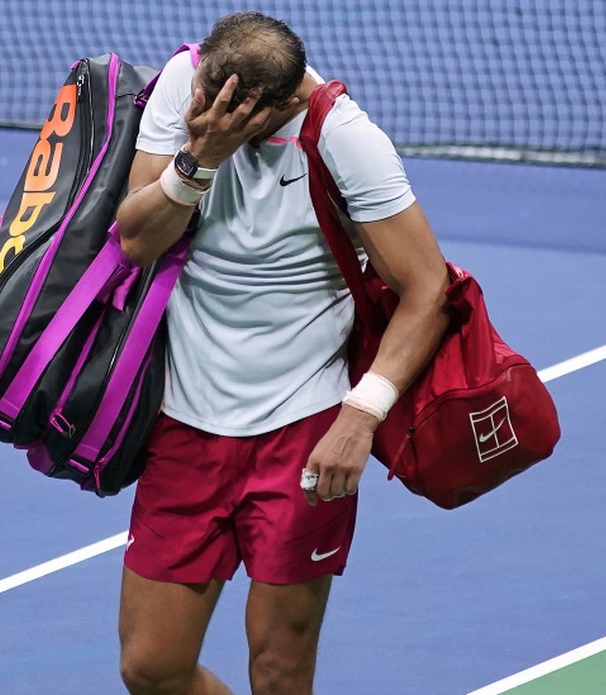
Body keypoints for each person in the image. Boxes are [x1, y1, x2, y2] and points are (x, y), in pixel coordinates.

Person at [114, 11, 451, 695]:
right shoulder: (190, 85)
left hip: (303, 437)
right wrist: (199, 159)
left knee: (279, 669)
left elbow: (428, 288)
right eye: (201, 94)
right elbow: (135, 240)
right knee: (150, 666)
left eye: (224, 108)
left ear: (275, 106)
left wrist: (361, 416)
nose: (201, 110)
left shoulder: (347, 142)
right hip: (184, 425)